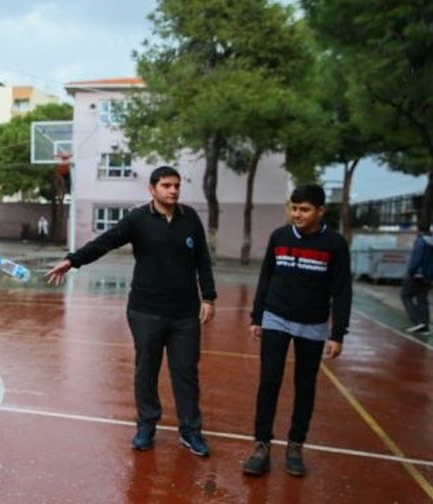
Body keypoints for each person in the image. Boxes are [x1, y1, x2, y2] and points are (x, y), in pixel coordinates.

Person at [45, 166, 216, 457]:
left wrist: (208, 297)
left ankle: (191, 432)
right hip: (146, 311)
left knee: (185, 373)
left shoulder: (191, 218)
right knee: (146, 370)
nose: (172, 190)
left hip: (185, 314)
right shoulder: (138, 219)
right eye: (166, 185)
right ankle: (146, 426)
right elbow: (105, 242)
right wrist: (72, 261)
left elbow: (202, 258)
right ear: (152, 189)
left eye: (176, 185)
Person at [243, 184, 352, 478]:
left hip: (313, 324)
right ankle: (261, 445)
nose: (297, 214)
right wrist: (257, 316)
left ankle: (295, 445)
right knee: (269, 382)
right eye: (294, 208)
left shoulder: (335, 244)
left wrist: (337, 333)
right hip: (276, 317)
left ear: (320, 211)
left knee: (305, 387)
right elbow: (266, 276)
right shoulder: (278, 237)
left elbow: (343, 291)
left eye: (304, 209)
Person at [400, 224, 433, 335]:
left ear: (419, 230)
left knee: (405, 295)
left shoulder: (421, 242)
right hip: (428, 276)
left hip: (417, 275)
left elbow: (416, 259)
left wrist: (410, 272)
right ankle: (425, 325)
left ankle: (417, 321)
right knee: (422, 298)